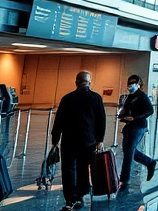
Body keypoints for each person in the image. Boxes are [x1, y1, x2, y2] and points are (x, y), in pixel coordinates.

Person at [51, 71, 106, 211]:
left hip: (69, 140)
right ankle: (81, 195)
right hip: (88, 140)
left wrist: (55, 138)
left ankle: (70, 198)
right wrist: (100, 139)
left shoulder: (67, 98)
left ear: (76, 82)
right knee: (83, 168)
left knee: (68, 168)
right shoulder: (96, 98)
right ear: (89, 82)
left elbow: (59, 120)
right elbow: (101, 121)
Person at [116, 75, 156, 192]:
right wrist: (123, 116)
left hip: (138, 126)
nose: (130, 86)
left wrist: (135, 118)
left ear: (139, 84)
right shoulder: (130, 97)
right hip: (129, 127)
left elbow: (150, 110)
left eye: (133, 83)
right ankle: (150, 162)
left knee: (129, 152)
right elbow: (125, 110)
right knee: (129, 151)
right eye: (129, 84)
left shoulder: (142, 96)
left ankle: (124, 179)